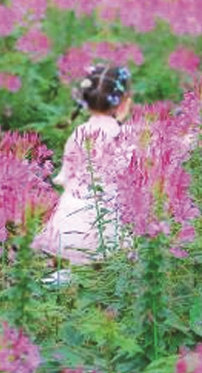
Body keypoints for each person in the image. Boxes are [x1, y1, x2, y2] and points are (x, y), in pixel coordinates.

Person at [33, 64, 133, 279]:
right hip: (104, 219)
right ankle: (80, 281)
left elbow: (66, 175)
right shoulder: (123, 134)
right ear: (124, 101)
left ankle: (67, 278)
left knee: (80, 269)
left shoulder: (79, 132)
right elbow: (129, 173)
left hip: (70, 218)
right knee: (105, 269)